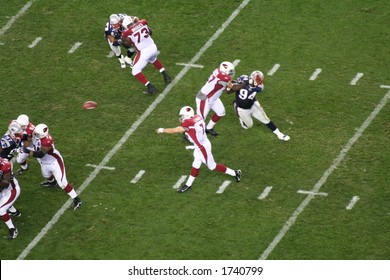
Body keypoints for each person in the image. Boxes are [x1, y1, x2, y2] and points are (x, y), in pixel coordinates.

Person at [156, 106, 241, 193]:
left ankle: (235, 172)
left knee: (212, 166)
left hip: (202, 147)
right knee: (196, 164)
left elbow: (176, 130)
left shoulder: (189, 123)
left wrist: (162, 130)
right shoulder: (197, 117)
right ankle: (188, 185)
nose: (182, 117)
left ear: (188, 115)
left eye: (183, 115)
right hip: (202, 144)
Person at [23, 124, 82, 210]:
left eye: (37, 134)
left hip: (54, 162)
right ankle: (52, 182)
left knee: (62, 183)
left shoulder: (47, 141)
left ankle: (77, 200)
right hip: (44, 162)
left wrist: (27, 151)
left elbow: (40, 154)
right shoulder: (36, 133)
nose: (35, 134)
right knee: (46, 175)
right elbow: (27, 131)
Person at [118, 15, 171, 95]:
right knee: (153, 59)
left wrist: (122, 42)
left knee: (135, 71)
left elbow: (128, 45)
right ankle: (166, 76)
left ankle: (151, 88)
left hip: (144, 52)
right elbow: (150, 32)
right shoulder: (142, 23)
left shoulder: (127, 33)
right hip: (153, 47)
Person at [232, 71, 290, 141]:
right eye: (257, 79)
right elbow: (233, 86)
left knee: (265, 118)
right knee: (249, 126)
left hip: (252, 105)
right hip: (242, 109)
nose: (258, 82)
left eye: (259, 80)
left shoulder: (259, 87)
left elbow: (252, 95)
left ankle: (279, 134)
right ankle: (239, 113)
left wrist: (257, 104)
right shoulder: (244, 79)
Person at [195, 61, 242, 136]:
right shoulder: (223, 77)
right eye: (230, 72)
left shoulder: (220, 73)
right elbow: (229, 90)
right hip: (204, 98)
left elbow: (226, 86)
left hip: (213, 98)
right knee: (199, 120)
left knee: (221, 112)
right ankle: (188, 134)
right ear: (225, 71)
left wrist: (234, 83)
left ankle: (209, 128)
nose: (231, 73)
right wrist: (244, 84)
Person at [0, 157, 21, 239]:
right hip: (3, 190)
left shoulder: (5, 165)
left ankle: (13, 229)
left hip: (12, 190)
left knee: (1, 210)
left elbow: (5, 184)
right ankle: (15, 212)